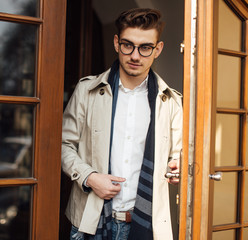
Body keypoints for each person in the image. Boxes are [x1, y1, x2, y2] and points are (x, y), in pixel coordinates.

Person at [61, 8, 182, 240]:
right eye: (128, 45)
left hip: (146, 225)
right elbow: (62, 144)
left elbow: (178, 156)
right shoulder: (87, 91)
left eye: (145, 47)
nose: (135, 56)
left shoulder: (171, 102)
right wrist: (89, 177)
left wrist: (176, 166)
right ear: (117, 43)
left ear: (158, 50)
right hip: (90, 221)